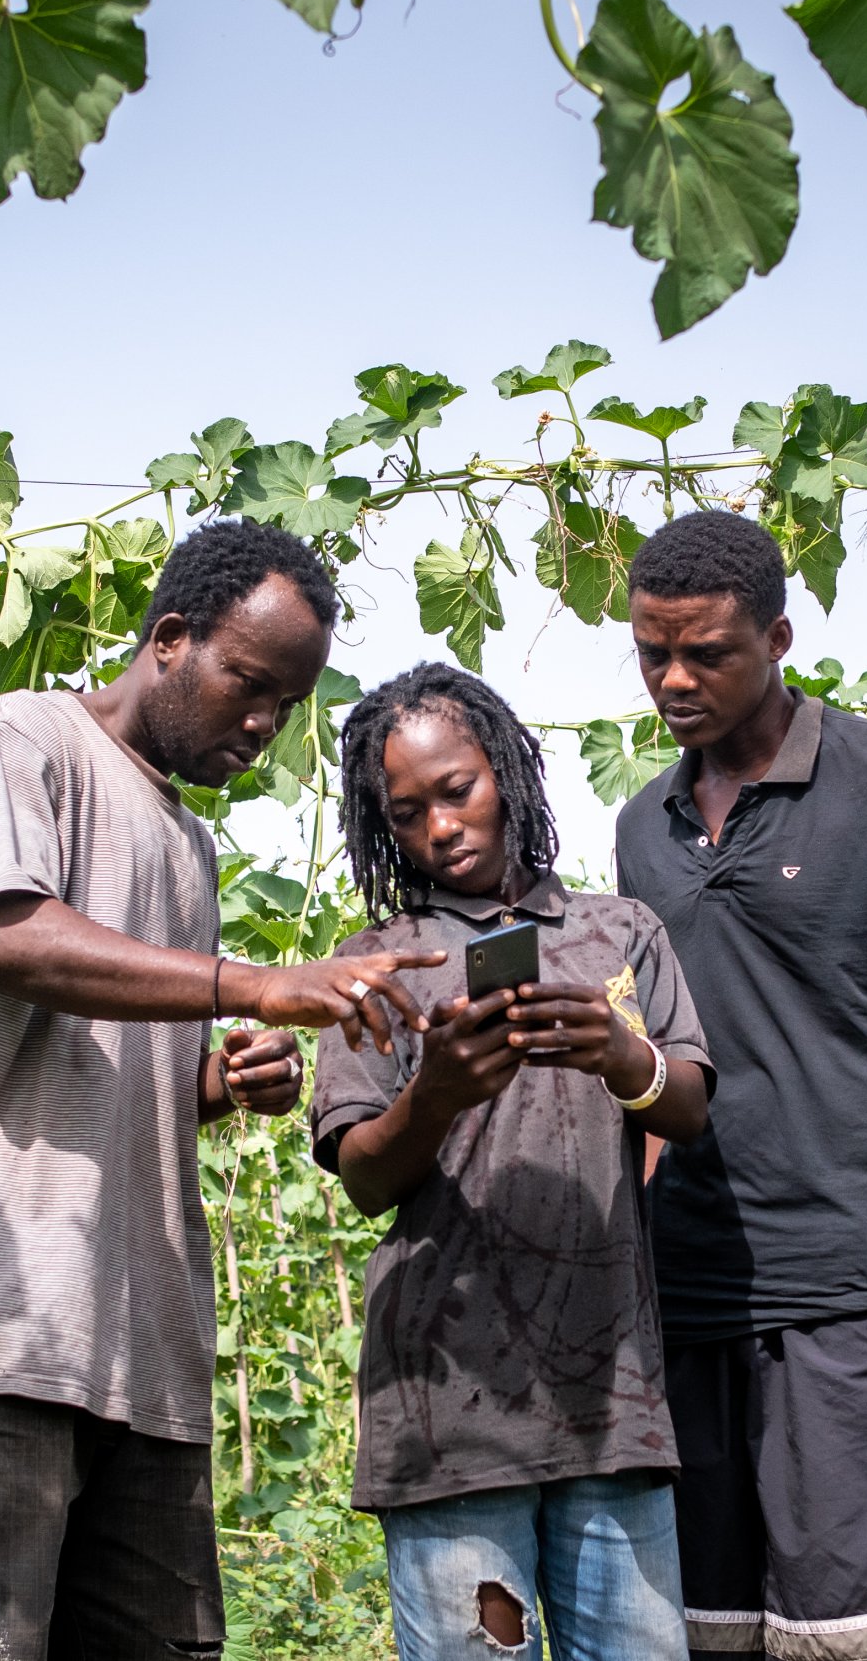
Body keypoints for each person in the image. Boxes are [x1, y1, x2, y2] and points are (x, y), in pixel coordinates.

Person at [0, 520, 444, 1661]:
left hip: (136, 1340)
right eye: (248, 683)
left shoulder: (186, 844)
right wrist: (251, 982)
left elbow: (84, 1072)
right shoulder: (19, 739)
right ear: (168, 638)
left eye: (287, 704)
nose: (263, 723)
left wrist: (208, 1078)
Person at [613, 511, 867, 1661]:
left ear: (779, 636)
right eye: (651, 653)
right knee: (713, 1637)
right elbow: (662, 1068)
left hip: (863, 1303)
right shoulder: (642, 827)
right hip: (692, 1304)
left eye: (707, 653)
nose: (674, 679)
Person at [309, 662, 716, 1661]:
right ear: (383, 827)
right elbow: (363, 1176)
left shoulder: (617, 933)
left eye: (458, 790)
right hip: (447, 1413)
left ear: (507, 771)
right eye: (408, 812)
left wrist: (622, 1053)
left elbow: (692, 1106)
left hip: (611, 1402)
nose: (442, 825)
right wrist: (435, 1088)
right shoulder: (379, 961)